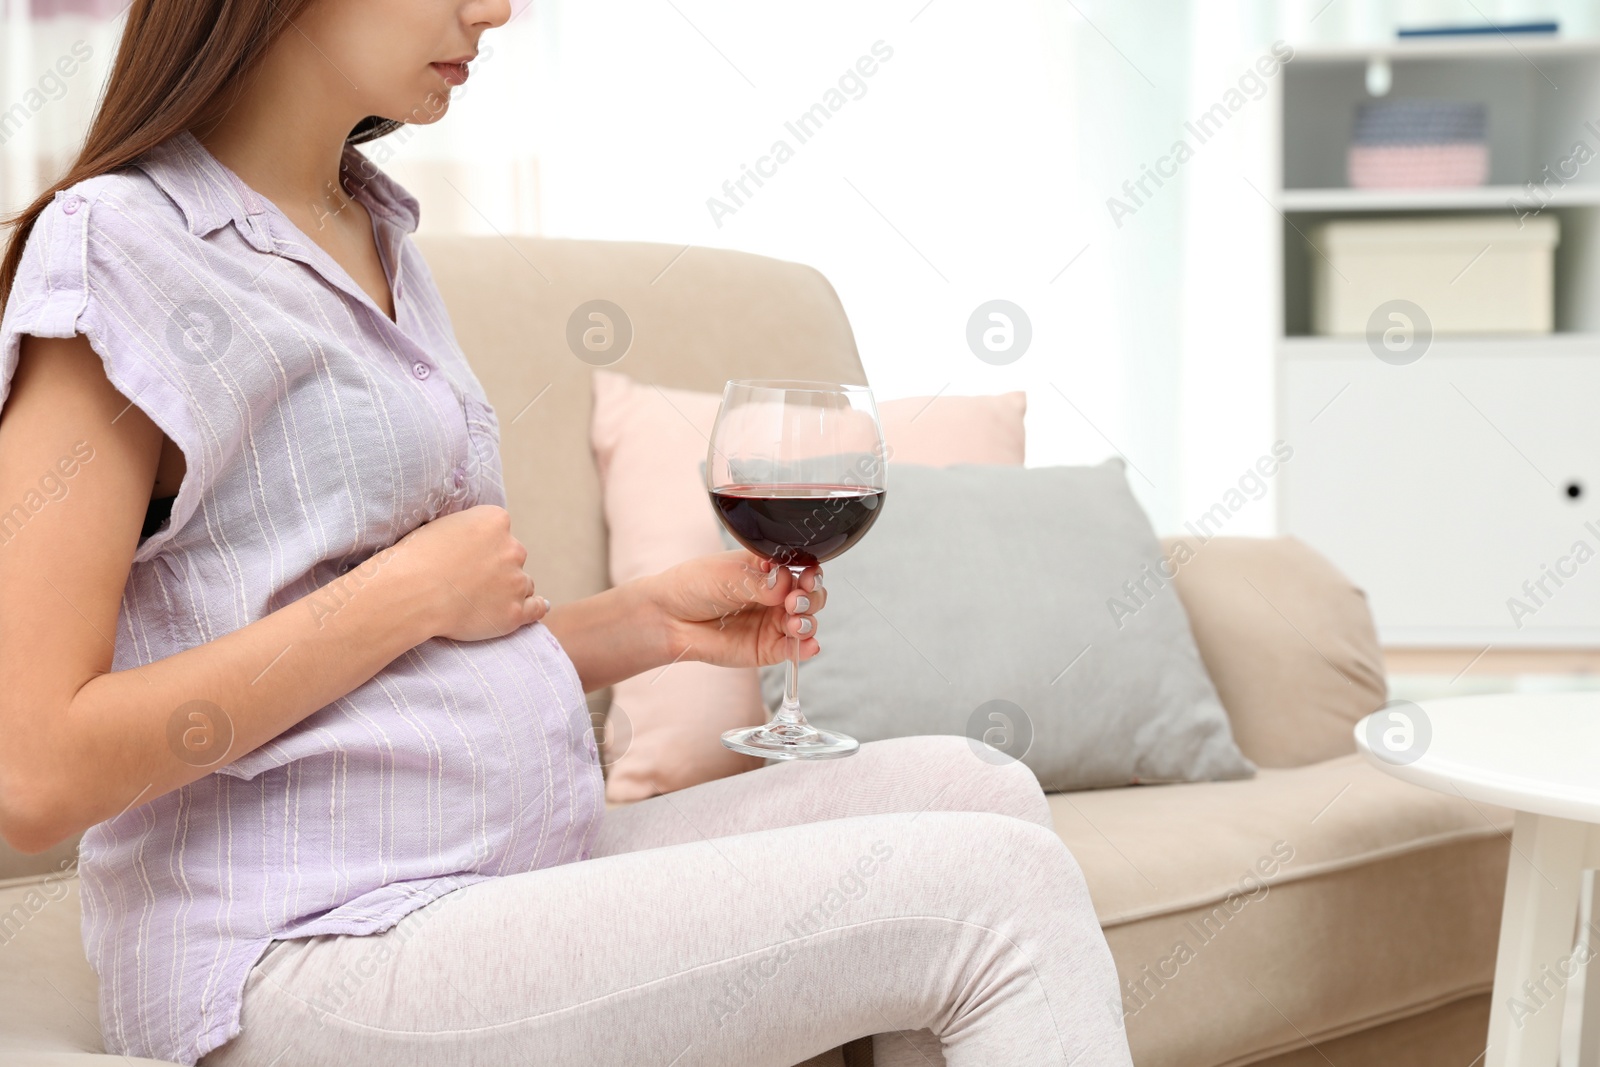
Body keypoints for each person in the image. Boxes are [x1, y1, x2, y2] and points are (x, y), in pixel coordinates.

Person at [0, 0, 1134, 1064]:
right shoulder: (123, 254)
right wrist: (402, 594)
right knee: (995, 891)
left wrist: (642, 624)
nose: (498, 8)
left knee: (979, 788)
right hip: (305, 941)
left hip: (497, 868)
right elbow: (32, 769)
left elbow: (398, 664)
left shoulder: (371, 228)